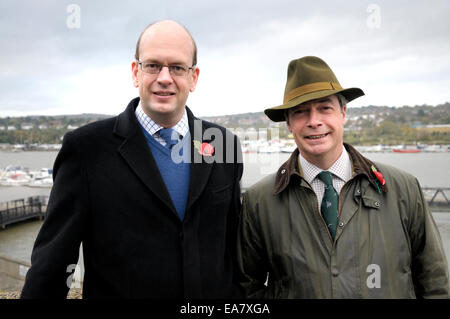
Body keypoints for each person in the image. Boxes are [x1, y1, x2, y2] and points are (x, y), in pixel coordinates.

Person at [21, 20, 243, 299]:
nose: (164, 77)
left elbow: (234, 251)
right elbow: (52, 264)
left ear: (193, 77)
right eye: (152, 65)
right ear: (135, 73)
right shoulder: (86, 150)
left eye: (177, 67)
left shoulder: (223, 144)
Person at [236, 56, 449, 298]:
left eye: (325, 108)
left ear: (343, 113)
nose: (314, 121)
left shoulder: (403, 188)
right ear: (288, 123)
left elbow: (435, 282)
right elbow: (247, 288)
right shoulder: (259, 201)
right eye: (301, 112)